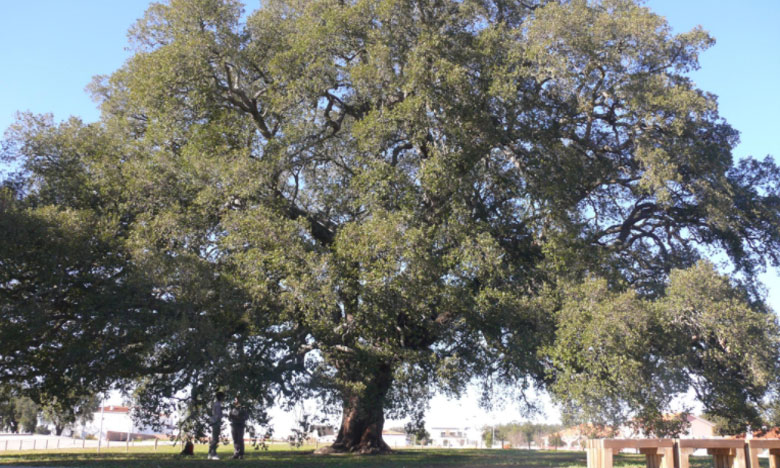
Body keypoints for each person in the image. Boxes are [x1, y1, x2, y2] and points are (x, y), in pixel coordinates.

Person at [207, 391, 225, 460]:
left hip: (215, 422)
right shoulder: (217, 405)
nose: (224, 398)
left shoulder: (216, 404)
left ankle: (209, 454)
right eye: (223, 397)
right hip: (216, 423)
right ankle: (213, 454)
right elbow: (217, 415)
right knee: (215, 439)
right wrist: (222, 416)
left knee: (215, 439)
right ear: (220, 397)